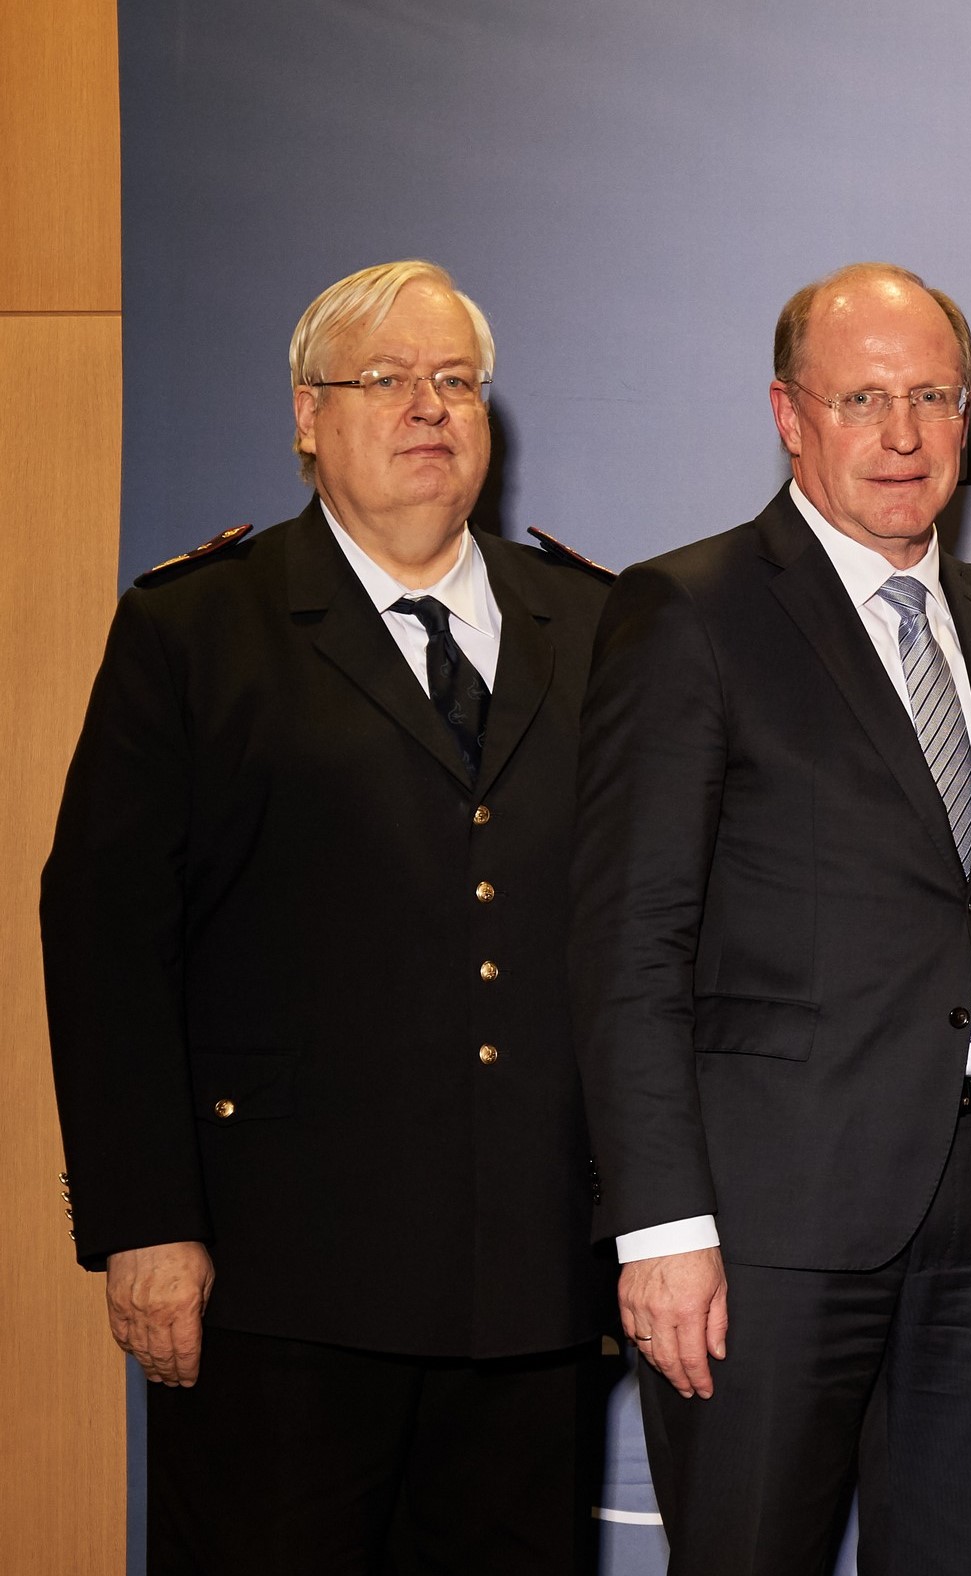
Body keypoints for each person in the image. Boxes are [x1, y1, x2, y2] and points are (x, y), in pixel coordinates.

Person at [41, 259, 616, 1573]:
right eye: (389, 381)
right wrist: (144, 1223)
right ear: (309, 417)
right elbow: (106, 940)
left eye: (457, 382)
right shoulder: (199, 628)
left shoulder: (591, 624)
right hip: (279, 1283)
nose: (430, 409)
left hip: (528, 1284)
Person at [570, 263, 971, 1575]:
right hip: (765, 1228)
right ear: (789, 414)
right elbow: (629, 946)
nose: (901, 434)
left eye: (932, 396)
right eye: (863, 398)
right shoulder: (689, 612)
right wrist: (660, 1227)